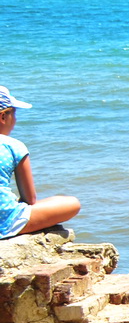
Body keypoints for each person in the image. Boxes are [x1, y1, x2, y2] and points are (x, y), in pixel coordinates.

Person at [0, 86, 82, 239]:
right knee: (72, 203)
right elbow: (30, 199)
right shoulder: (13, 145)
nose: (15, 120)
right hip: (4, 223)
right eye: (14, 114)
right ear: (3, 117)